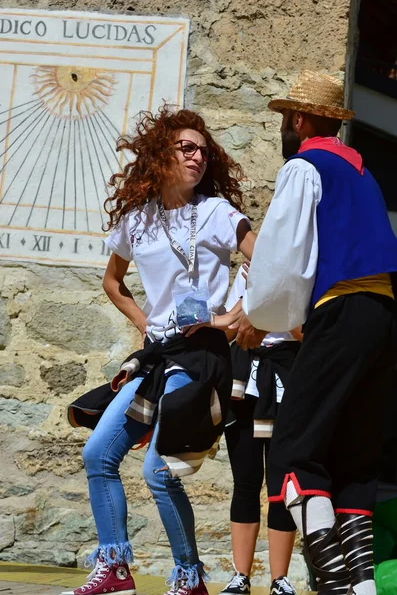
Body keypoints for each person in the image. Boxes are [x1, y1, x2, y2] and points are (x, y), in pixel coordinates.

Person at [62, 107, 256, 595]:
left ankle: (189, 578)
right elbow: (113, 282)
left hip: (201, 356)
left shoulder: (215, 213)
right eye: (186, 148)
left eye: (203, 150)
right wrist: (146, 324)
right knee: (97, 454)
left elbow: (266, 258)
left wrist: (232, 316)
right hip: (157, 354)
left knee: (158, 468)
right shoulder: (137, 219)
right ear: (160, 156)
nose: (197, 156)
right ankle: (116, 571)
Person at [241, 70, 397, 595]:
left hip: (342, 311)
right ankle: (362, 586)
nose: (284, 129)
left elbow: (285, 257)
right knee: (354, 453)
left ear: (300, 119)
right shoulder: (362, 174)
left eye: (286, 119)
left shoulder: (306, 167)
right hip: (383, 315)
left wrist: (257, 314)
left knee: (292, 447)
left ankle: (330, 580)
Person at [219, 265, 301, 595]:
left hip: (287, 377)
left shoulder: (303, 273)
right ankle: (241, 576)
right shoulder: (247, 272)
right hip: (245, 382)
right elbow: (226, 331)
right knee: (246, 480)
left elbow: (306, 334)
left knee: (282, 483)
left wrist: (278, 300)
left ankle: (279, 579)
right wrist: (252, 295)